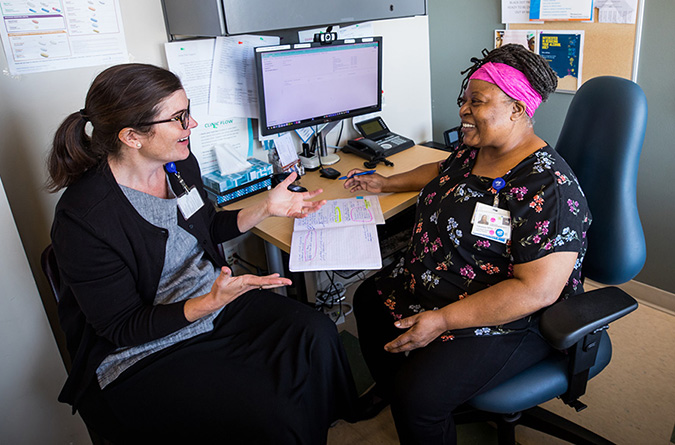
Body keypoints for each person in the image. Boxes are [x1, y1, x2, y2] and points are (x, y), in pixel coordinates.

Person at [47, 63, 357, 444]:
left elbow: (205, 225)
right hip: (143, 349)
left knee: (318, 333)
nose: (191, 125)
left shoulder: (178, 165)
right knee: (269, 412)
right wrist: (207, 303)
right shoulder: (84, 219)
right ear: (132, 136)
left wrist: (265, 208)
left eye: (188, 110)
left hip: (213, 302)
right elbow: (122, 327)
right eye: (179, 118)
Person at [343, 44, 592, 444]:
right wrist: (385, 183)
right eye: (464, 99)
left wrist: (442, 320)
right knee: (370, 300)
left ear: (516, 109)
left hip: (509, 315)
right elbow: (440, 170)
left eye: (476, 101)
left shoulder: (549, 190)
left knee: (419, 399)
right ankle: (392, 388)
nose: (463, 109)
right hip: (438, 284)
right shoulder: (473, 150)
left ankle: (411, 403)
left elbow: (537, 289)